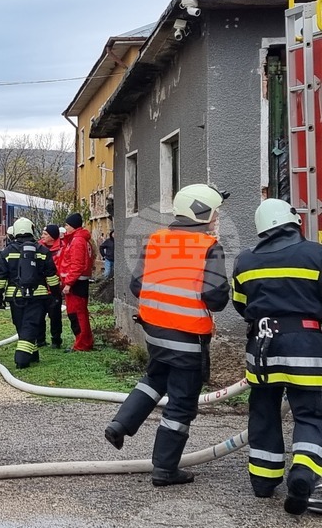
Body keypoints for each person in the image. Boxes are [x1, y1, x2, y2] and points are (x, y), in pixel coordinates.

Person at [103, 184, 229, 487]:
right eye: (215, 213)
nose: (216, 219)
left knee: (155, 379)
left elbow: (137, 287)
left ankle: (120, 424)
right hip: (188, 339)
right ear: (204, 212)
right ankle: (164, 469)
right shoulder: (208, 246)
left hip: (155, 333)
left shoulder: (156, 241)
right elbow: (215, 298)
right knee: (182, 404)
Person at [232, 198, 322, 514]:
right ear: (294, 222)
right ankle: (304, 472)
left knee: (263, 412)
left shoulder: (244, 261)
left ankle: (263, 481)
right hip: (307, 346)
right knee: (311, 414)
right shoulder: (316, 255)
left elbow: (241, 305)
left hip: (262, 348)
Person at [0, 217, 61, 369]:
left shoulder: (6, 252)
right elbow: (51, 277)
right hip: (38, 296)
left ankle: (32, 355)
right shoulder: (42, 250)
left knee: (22, 325)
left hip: (14, 297)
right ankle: (22, 359)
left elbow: (0, 278)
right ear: (31, 230)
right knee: (30, 326)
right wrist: (56, 296)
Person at [62, 213, 94, 352]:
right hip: (79, 282)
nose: (65, 228)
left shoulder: (77, 241)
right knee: (79, 313)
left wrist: (68, 283)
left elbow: (77, 265)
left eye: (67, 225)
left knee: (77, 314)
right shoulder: (81, 239)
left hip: (76, 283)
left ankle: (82, 344)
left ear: (73, 226)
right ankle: (83, 342)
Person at [36, 224, 65, 349]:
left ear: (53, 236)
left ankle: (56, 340)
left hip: (55, 287)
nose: (42, 236)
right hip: (40, 288)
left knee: (55, 316)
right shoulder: (38, 247)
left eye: (45, 234)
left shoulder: (62, 248)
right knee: (38, 315)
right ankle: (40, 340)